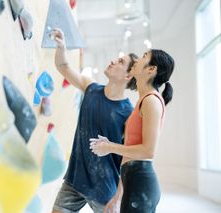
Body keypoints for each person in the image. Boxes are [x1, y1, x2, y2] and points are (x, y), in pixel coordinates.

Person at [50, 28, 138, 213]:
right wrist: (61, 46)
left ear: (128, 76)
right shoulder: (91, 88)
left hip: (104, 188)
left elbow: (129, 158)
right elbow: (63, 67)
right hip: (75, 180)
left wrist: (118, 197)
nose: (114, 60)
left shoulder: (129, 113)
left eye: (121, 62)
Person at [90, 49, 175, 213]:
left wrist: (109, 147)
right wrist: (117, 196)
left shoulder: (151, 101)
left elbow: (148, 151)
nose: (137, 60)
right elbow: (130, 155)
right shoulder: (143, 100)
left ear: (152, 69)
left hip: (141, 184)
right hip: (134, 181)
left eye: (144, 57)